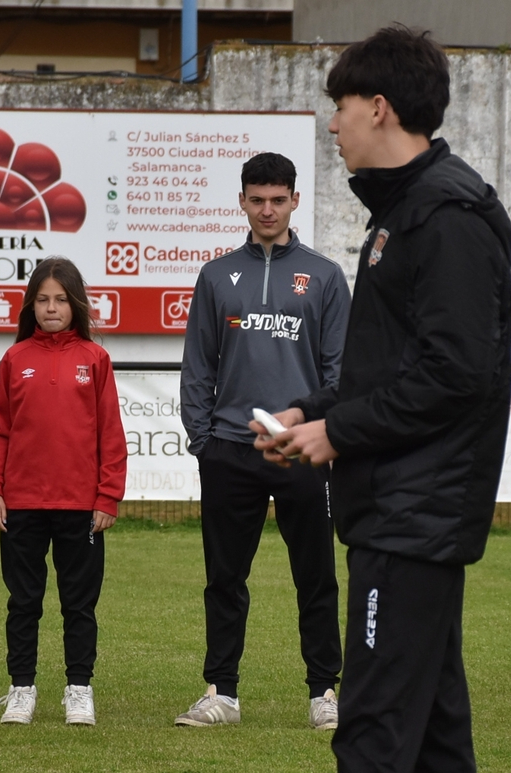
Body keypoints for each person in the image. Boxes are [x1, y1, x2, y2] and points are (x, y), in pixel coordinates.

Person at [255, 26, 511, 771]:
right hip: (400, 513)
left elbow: (454, 373)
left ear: (378, 108)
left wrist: (339, 434)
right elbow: (391, 366)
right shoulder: (403, 215)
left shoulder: (447, 218)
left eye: (338, 107)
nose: (331, 126)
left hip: (414, 518)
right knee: (434, 739)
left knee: (370, 734)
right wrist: (316, 409)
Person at [177, 152, 350, 729]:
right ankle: (220, 692)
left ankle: (324, 693)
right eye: (258, 199)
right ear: (243, 202)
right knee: (224, 578)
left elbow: (339, 371)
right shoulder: (216, 274)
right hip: (230, 449)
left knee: (316, 576)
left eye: (278, 199)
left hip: (301, 450)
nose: (268, 209)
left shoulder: (324, 276)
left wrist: (318, 432)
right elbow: (198, 364)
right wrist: (204, 439)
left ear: (295, 200)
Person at [0, 257, 127, 726]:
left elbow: (111, 434)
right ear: (30, 306)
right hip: (20, 504)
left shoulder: (95, 359)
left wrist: (107, 497)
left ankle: (79, 689)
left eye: (61, 299)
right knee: (23, 602)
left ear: (75, 303)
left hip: (81, 506)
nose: (51, 308)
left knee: (78, 605)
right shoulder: (14, 359)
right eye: (42, 300)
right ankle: (21, 689)